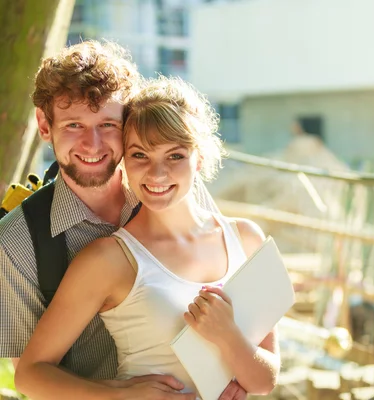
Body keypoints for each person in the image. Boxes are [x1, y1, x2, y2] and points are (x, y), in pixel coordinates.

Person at [0, 40, 247, 399]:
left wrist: (230, 382)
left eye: (107, 124)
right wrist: (118, 395)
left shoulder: (171, 188)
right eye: (73, 125)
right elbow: (32, 378)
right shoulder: (17, 243)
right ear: (43, 124)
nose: (93, 144)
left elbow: (233, 310)